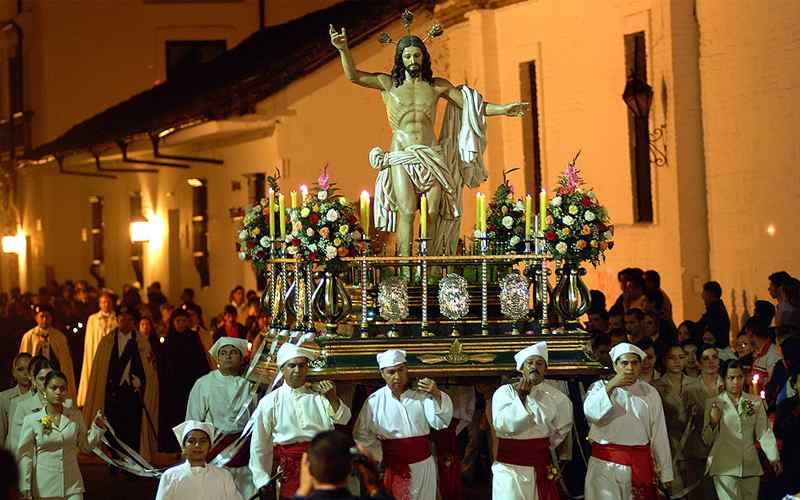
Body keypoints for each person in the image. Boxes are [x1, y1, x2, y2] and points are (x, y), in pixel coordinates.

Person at [329, 25, 526, 256]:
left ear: (424, 57)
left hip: (431, 154)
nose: (413, 59)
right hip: (402, 154)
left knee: (433, 211)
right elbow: (355, 76)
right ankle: (405, 268)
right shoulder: (388, 84)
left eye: (417, 55)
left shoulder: (436, 86)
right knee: (407, 210)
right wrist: (343, 49)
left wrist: (504, 109)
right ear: (400, 59)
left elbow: (471, 105)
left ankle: (430, 265)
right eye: (408, 56)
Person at [250, 343, 351, 499]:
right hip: (289, 471)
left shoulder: (319, 396)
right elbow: (259, 446)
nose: (297, 370)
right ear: (282, 369)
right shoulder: (270, 401)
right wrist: (262, 482)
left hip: (323, 465)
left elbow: (344, 418)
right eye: (292, 366)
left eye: (302, 365)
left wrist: (332, 398)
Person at [354, 349, 453, 500]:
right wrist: (380, 455)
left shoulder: (421, 396)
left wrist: (436, 394)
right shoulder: (374, 401)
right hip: (393, 468)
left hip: (423, 466)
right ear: (382, 374)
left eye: (401, 370)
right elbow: (361, 434)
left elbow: (440, 422)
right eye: (391, 372)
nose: (397, 376)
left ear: (407, 370)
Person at [583, 342, 673, 499]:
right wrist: (611, 385)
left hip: (639, 464)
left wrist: (665, 473)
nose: (630, 368)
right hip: (605, 466)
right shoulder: (598, 388)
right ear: (615, 365)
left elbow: (659, 433)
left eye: (634, 363)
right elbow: (592, 414)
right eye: (625, 363)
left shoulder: (650, 392)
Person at [491, 342, 573, 500]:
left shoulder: (558, 398)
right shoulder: (504, 393)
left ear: (546, 368)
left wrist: (537, 446)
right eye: (530, 362)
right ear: (521, 368)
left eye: (539, 363)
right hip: (509, 468)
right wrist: (521, 397)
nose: (535, 366)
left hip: (539, 463)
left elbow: (561, 431)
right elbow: (503, 425)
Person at [17, 370, 107, 500]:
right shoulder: (32, 420)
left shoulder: (75, 416)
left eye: (63, 388)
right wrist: (24, 486)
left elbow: (85, 447)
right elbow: (25, 456)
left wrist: (97, 428)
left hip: (72, 485)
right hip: (45, 488)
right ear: (44, 391)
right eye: (53, 388)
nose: (58, 392)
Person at [82, 307, 156, 459]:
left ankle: (133, 462)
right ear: (117, 320)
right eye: (121, 319)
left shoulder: (141, 342)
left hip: (133, 393)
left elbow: (149, 369)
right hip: (112, 392)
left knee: (132, 428)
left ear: (133, 322)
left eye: (128, 319)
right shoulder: (107, 342)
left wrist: (141, 380)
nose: (125, 322)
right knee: (113, 428)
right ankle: (115, 460)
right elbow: (101, 370)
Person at [703, 359, 781, 499]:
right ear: (723, 379)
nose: (736, 382)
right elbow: (707, 439)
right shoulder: (714, 403)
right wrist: (714, 422)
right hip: (724, 467)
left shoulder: (754, 402)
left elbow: (763, 433)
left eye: (739, 377)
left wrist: (774, 457)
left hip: (750, 466)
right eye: (731, 378)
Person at [187, 337, 254, 498]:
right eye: (223, 353)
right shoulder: (204, 383)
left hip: (243, 453)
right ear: (218, 358)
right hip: (214, 453)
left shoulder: (251, 384)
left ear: (241, 357)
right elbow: (193, 420)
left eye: (233, 353)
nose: (228, 356)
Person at [653, 345, 709, 499]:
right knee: (676, 494)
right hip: (671, 450)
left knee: (698, 493)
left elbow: (706, 417)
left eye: (681, 357)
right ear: (664, 360)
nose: (677, 361)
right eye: (672, 358)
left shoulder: (697, 384)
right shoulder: (655, 387)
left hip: (695, 450)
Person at [158, 309, 210, 453]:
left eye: (183, 321)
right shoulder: (169, 340)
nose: (181, 324)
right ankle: (174, 447)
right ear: (173, 323)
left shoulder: (193, 338)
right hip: (172, 388)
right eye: (178, 321)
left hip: (190, 386)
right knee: (173, 419)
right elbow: (162, 364)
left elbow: (200, 362)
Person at [155, 420, 243, 500]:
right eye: (192, 441)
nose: (197, 445)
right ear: (184, 447)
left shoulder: (223, 476)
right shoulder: (170, 476)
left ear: (210, 446)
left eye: (203, 441)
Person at [18, 305, 76, 399]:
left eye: (47, 316)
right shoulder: (29, 337)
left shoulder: (59, 337)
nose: (44, 319)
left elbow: (65, 363)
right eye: (42, 316)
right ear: (36, 318)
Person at [77, 292, 117, 407]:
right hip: (96, 352)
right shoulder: (93, 319)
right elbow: (90, 340)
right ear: (100, 304)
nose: (106, 305)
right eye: (103, 302)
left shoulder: (116, 319)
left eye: (108, 302)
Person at [774, 373, 800, 496]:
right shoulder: (785, 406)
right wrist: (795, 414)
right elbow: (778, 431)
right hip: (792, 462)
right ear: (795, 385)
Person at [0, 353, 32, 447]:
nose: (25, 373)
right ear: (14, 373)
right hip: (12, 454)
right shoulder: (4, 398)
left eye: (29, 369)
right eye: (21, 369)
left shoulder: (42, 397)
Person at [698, 281, 731, 349]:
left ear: (710, 294)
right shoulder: (716, 309)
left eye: (704, 293)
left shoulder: (715, 311)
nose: (702, 296)